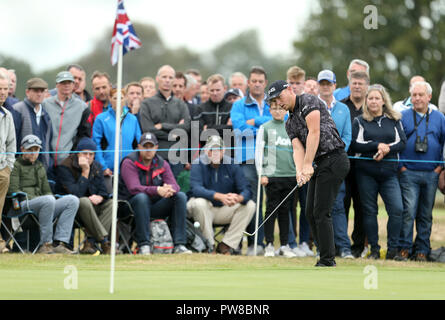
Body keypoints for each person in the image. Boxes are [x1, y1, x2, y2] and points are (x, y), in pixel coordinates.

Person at [268, 80, 350, 267]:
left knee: (321, 211)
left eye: (280, 97)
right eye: (274, 101)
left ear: (289, 90)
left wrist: (307, 165)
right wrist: (299, 171)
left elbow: (314, 132)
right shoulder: (289, 122)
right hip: (321, 163)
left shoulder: (308, 101)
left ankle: (328, 259)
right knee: (309, 212)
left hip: (335, 158)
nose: (279, 103)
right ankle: (324, 253)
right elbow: (297, 148)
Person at [350, 84, 406, 260]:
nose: (373, 101)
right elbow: (355, 144)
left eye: (377, 98)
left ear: (383, 101)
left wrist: (386, 149)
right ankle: (374, 249)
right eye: (371, 98)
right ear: (367, 101)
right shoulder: (359, 121)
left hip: (389, 174)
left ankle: (392, 251)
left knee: (397, 209)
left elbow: (402, 142)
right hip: (366, 174)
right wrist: (376, 145)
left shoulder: (394, 119)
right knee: (369, 211)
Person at [118, 132, 192, 255]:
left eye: (151, 146)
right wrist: (157, 189)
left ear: (156, 147)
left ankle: (180, 244)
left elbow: (175, 186)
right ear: (139, 147)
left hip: (154, 206)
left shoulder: (162, 163)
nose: (148, 150)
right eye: (145, 146)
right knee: (141, 197)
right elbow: (134, 188)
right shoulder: (129, 162)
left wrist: (169, 189)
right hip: (130, 207)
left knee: (180, 196)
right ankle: (144, 245)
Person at [8, 134, 79, 254]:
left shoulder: (40, 166)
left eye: (36, 150)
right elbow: (13, 190)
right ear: (22, 149)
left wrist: (48, 197)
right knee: (48, 200)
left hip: (44, 204)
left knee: (72, 200)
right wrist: (43, 199)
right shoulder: (15, 165)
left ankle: (60, 243)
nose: (33, 153)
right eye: (29, 150)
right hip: (23, 205)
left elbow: (47, 191)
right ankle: (46, 244)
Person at [398, 81, 445, 262]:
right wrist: (401, 167)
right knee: (409, 212)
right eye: (414, 95)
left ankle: (422, 250)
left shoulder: (440, 118)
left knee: (425, 214)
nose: (417, 98)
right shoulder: (402, 116)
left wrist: (439, 167)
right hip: (408, 172)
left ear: (429, 97)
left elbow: (443, 144)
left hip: (431, 173)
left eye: (420, 95)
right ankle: (405, 249)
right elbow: (397, 143)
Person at [187, 135, 255, 255]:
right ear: (206, 151)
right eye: (211, 150)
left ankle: (226, 245)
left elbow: (247, 190)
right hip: (204, 209)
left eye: (218, 150)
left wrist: (238, 198)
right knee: (199, 203)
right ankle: (209, 245)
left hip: (225, 208)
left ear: (223, 151)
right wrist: (219, 196)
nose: (215, 153)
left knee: (249, 205)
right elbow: (196, 189)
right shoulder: (198, 163)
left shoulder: (232, 164)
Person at [230, 66, 271, 256]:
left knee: (272, 201)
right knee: (252, 201)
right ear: (248, 83)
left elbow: (282, 121)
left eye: (260, 81)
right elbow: (240, 130)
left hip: (271, 157)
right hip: (246, 158)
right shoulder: (238, 105)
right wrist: (264, 125)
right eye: (253, 80)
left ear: (265, 83)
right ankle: (256, 243)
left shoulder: (274, 103)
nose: (257, 84)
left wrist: (254, 122)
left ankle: (270, 242)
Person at [257, 99, 301, 258]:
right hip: (272, 176)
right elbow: (259, 154)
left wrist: (299, 171)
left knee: (285, 211)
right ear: (269, 110)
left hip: (289, 175)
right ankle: (268, 244)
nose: (277, 111)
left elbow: (297, 150)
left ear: (285, 110)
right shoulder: (265, 128)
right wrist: (262, 173)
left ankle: (284, 245)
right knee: (271, 210)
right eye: (273, 108)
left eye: (280, 108)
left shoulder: (292, 126)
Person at [317, 70, 353, 259]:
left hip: (337, 163)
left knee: (337, 205)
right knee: (318, 208)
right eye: (322, 83)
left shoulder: (343, 109)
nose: (325, 86)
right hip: (317, 163)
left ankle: (344, 247)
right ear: (318, 85)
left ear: (334, 85)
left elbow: (347, 136)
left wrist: (336, 154)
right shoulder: (312, 106)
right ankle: (322, 247)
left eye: (328, 83)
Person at [57, 137, 113, 255]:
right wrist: (85, 172)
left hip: (93, 208)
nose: (88, 157)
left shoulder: (97, 166)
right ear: (78, 154)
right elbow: (75, 194)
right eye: (84, 153)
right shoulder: (65, 166)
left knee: (112, 204)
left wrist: (101, 197)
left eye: (91, 154)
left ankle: (90, 242)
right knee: (83, 201)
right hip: (72, 210)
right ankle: (104, 241)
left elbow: (104, 191)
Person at [139, 65, 191, 178]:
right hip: (155, 156)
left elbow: (186, 127)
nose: (167, 80)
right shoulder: (147, 104)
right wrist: (175, 132)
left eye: (170, 77)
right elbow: (148, 130)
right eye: (164, 77)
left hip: (177, 157)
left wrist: (163, 126)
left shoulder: (180, 104)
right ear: (157, 79)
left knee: (176, 192)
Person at [341, 71, 370, 258]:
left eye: (360, 83)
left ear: (367, 86)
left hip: (365, 166)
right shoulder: (341, 106)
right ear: (349, 84)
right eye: (354, 83)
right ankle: (341, 245)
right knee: (341, 205)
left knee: (362, 207)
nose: (357, 86)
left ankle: (358, 245)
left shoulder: (372, 106)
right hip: (343, 165)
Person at [286, 66, 313, 257]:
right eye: (292, 83)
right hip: (287, 164)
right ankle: (290, 242)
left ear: (304, 84)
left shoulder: (308, 105)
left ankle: (305, 241)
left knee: (306, 204)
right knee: (289, 206)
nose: (295, 86)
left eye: (298, 83)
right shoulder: (285, 104)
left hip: (305, 163)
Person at [93, 88, 141, 193]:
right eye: (115, 98)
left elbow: (139, 144)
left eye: (121, 98)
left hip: (129, 168)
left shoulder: (133, 119)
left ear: (126, 99)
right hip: (109, 169)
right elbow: (96, 144)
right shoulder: (101, 119)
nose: (118, 101)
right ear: (110, 99)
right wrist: (102, 166)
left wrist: (137, 165)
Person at [42, 71, 91, 172]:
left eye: (69, 83)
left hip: (68, 162)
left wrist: (73, 155)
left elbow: (84, 134)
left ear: (73, 85)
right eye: (63, 83)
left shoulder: (82, 107)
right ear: (57, 85)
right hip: (47, 160)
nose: (67, 85)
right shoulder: (45, 104)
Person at [13, 78, 53, 169]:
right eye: (36, 91)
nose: (39, 94)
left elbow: (48, 143)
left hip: (41, 168)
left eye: (42, 91)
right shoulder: (17, 110)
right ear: (27, 92)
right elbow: (12, 141)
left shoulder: (46, 115)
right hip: (21, 168)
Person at [0, 70, 16, 253]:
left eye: (5, 89)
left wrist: (8, 167)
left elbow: (12, 144)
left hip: (2, 169)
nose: (2, 92)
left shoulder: (7, 115)